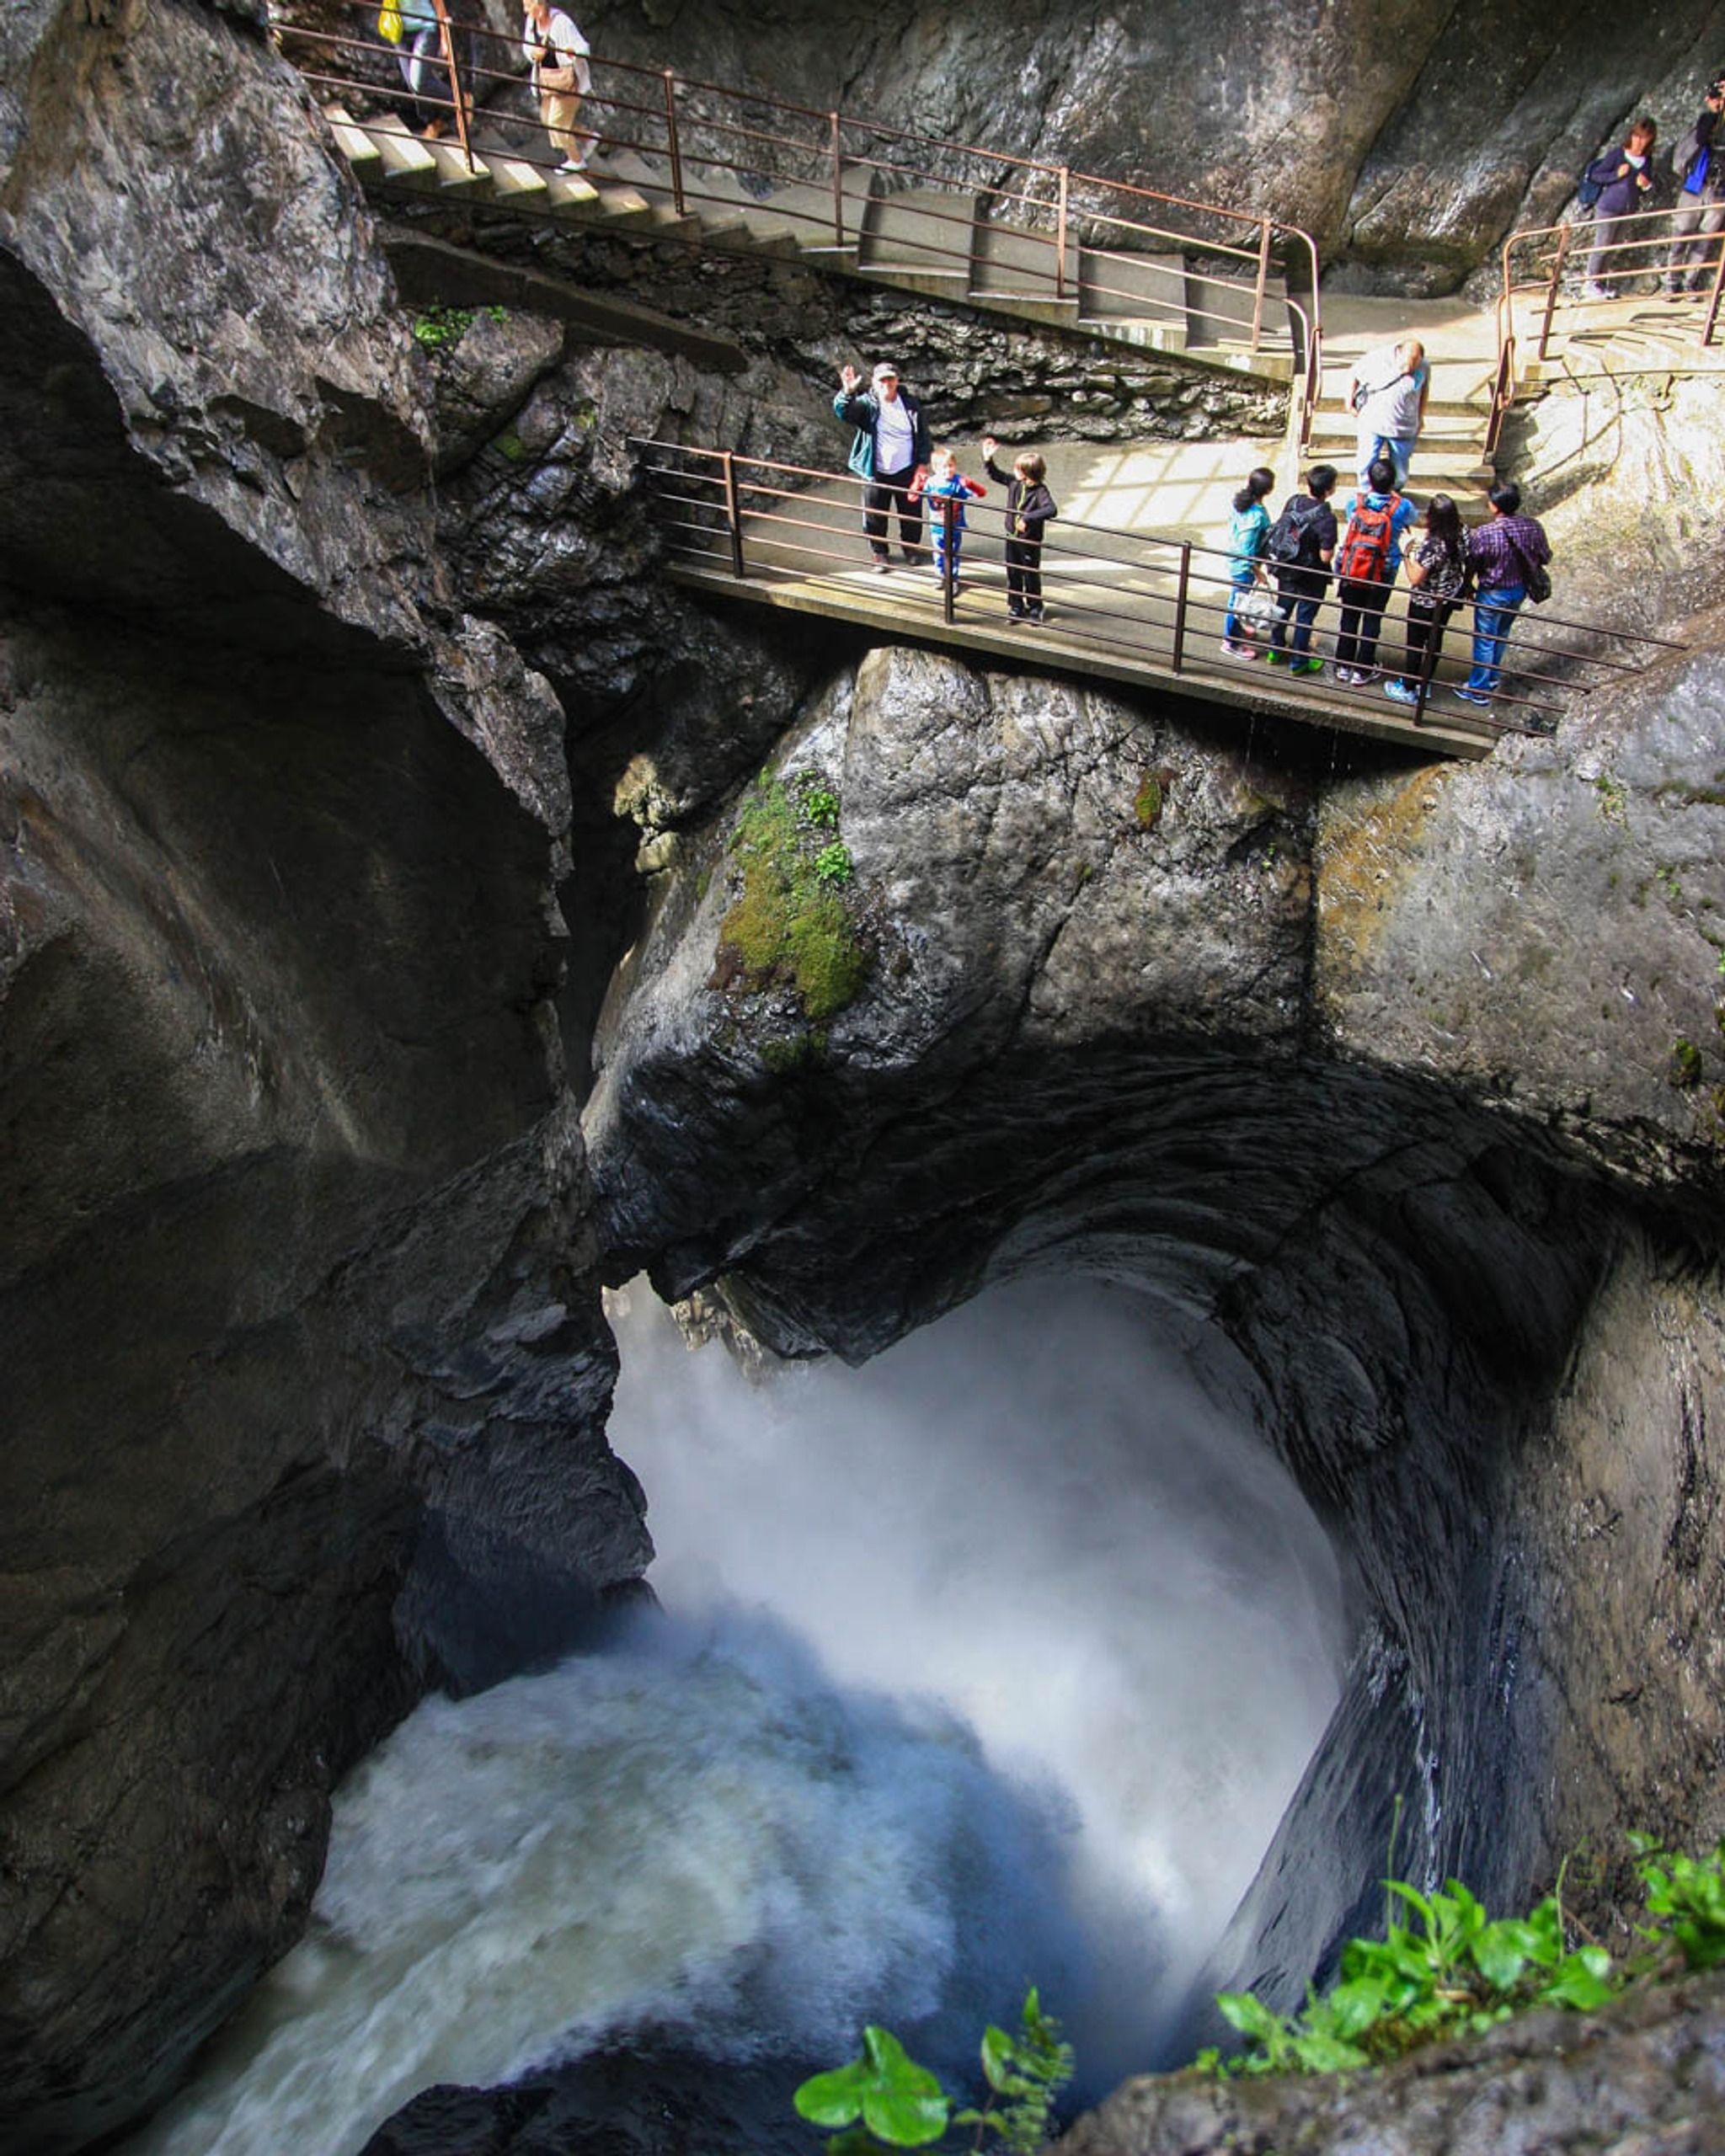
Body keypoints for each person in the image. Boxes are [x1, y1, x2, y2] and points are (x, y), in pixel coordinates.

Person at [1455, 481, 1551, 707]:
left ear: (1495, 506)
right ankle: (1491, 679)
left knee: (1485, 640)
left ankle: (1478, 689)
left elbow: (1473, 562)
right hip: (1518, 590)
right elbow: (1545, 556)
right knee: (1501, 634)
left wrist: (1468, 584)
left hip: (1492, 592)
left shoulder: (1485, 533)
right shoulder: (1533, 527)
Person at [835, 361, 932, 573]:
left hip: (907, 469)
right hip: (877, 471)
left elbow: (924, 435)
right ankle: (879, 552)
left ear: (897, 380)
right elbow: (844, 412)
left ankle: (911, 548)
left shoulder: (910, 404)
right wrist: (847, 392)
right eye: (882, 380)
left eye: (891, 379)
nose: (887, 383)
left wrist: (923, 464)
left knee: (911, 513)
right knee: (875, 514)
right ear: (874, 382)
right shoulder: (867, 404)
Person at [1331, 456, 1418, 685]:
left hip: (1354, 567)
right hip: (1383, 570)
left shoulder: (1355, 503)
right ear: (1393, 483)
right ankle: (1362, 669)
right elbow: (1414, 518)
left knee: (1349, 616)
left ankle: (1342, 664)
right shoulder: (1402, 507)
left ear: (1369, 481)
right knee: (1372, 617)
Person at [1384, 494, 1467, 706]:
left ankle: (1409, 688)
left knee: (1415, 643)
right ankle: (1424, 682)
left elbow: (1415, 578)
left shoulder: (1433, 546)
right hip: (1447, 596)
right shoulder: (1462, 532)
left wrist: (1405, 554)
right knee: (1435, 639)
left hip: (1425, 601)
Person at [1263, 462, 1338, 675]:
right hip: (1311, 577)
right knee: (1304, 617)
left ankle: (1274, 650)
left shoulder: (1293, 502)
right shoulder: (1326, 518)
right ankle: (1298, 661)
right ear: (1328, 490)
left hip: (1286, 569)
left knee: (1283, 609)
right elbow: (1326, 556)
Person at [981, 438, 1058, 622]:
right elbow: (996, 475)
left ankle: (1035, 607)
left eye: (1018, 468)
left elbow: (1051, 509)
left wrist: (1027, 518)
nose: (1014, 471)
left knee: (1030, 574)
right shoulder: (1015, 483)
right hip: (1012, 537)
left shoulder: (1040, 491)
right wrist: (988, 460)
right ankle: (1016, 605)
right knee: (1013, 573)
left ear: (1026, 473)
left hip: (1029, 541)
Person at [1664, 76, 1725, 296]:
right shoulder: (1707, 119)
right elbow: (1702, 138)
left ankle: (1690, 280)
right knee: (1682, 232)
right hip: (1696, 185)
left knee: (1705, 238)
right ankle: (1672, 279)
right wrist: (1717, 110)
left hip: (1721, 191)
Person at [1584, 118, 1658, 298]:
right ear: (1631, 136)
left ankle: (1600, 283)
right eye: (1637, 137)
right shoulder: (1617, 154)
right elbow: (1596, 175)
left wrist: (1646, 185)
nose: (1640, 142)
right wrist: (1616, 175)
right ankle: (1590, 282)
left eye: (1644, 138)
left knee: (1613, 246)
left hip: (1628, 209)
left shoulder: (1647, 160)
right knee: (1602, 244)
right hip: (1608, 206)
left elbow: (1649, 187)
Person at [1347, 338, 1429, 488]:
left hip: (1404, 426)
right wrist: (1348, 401)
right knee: (1367, 462)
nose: (1409, 368)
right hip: (1373, 421)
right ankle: (1366, 494)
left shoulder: (1424, 366)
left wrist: (1420, 417)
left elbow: (1424, 392)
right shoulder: (1378, 357)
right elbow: (1355, 373)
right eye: (1408, 363)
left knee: (1400, 474)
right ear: (1399, 353)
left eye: (1415, 364)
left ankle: (1393, 495)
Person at [522, 0, 592, 174]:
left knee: (557, 123)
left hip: (567, 81)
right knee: (546, 118)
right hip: (547, 80)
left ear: (540, 4)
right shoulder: (531, 23)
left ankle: (576, 160)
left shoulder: (562, 23)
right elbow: (526, 46)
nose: (525, 11)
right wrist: (533, 53)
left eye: (529, 6)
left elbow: (584, 47)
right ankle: (587, 138)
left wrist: (573, 51)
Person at [1216, 465, 1275, 659]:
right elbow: (1246, 549)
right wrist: (1257, 570)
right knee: (1237, 602)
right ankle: (1230, 641)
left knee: (1239, 598)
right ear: (1268, 490)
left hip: (1235, 559)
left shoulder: (1241, 503)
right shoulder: (1256, 517)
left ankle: (1237, 631)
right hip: (1243, 565)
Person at [916, 447, 986, 587]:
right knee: (938, 553)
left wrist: (970, 484)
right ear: (935, 468)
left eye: (951, 466)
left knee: (953, 553)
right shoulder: (931, 483)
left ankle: (953, 578)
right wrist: (917, 483)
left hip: (954, 525)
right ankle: (941, 575)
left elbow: (981, 493)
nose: (948, 470)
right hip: (937, 525)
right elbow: (912, 497)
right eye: (943, 467)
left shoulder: (958, 482)